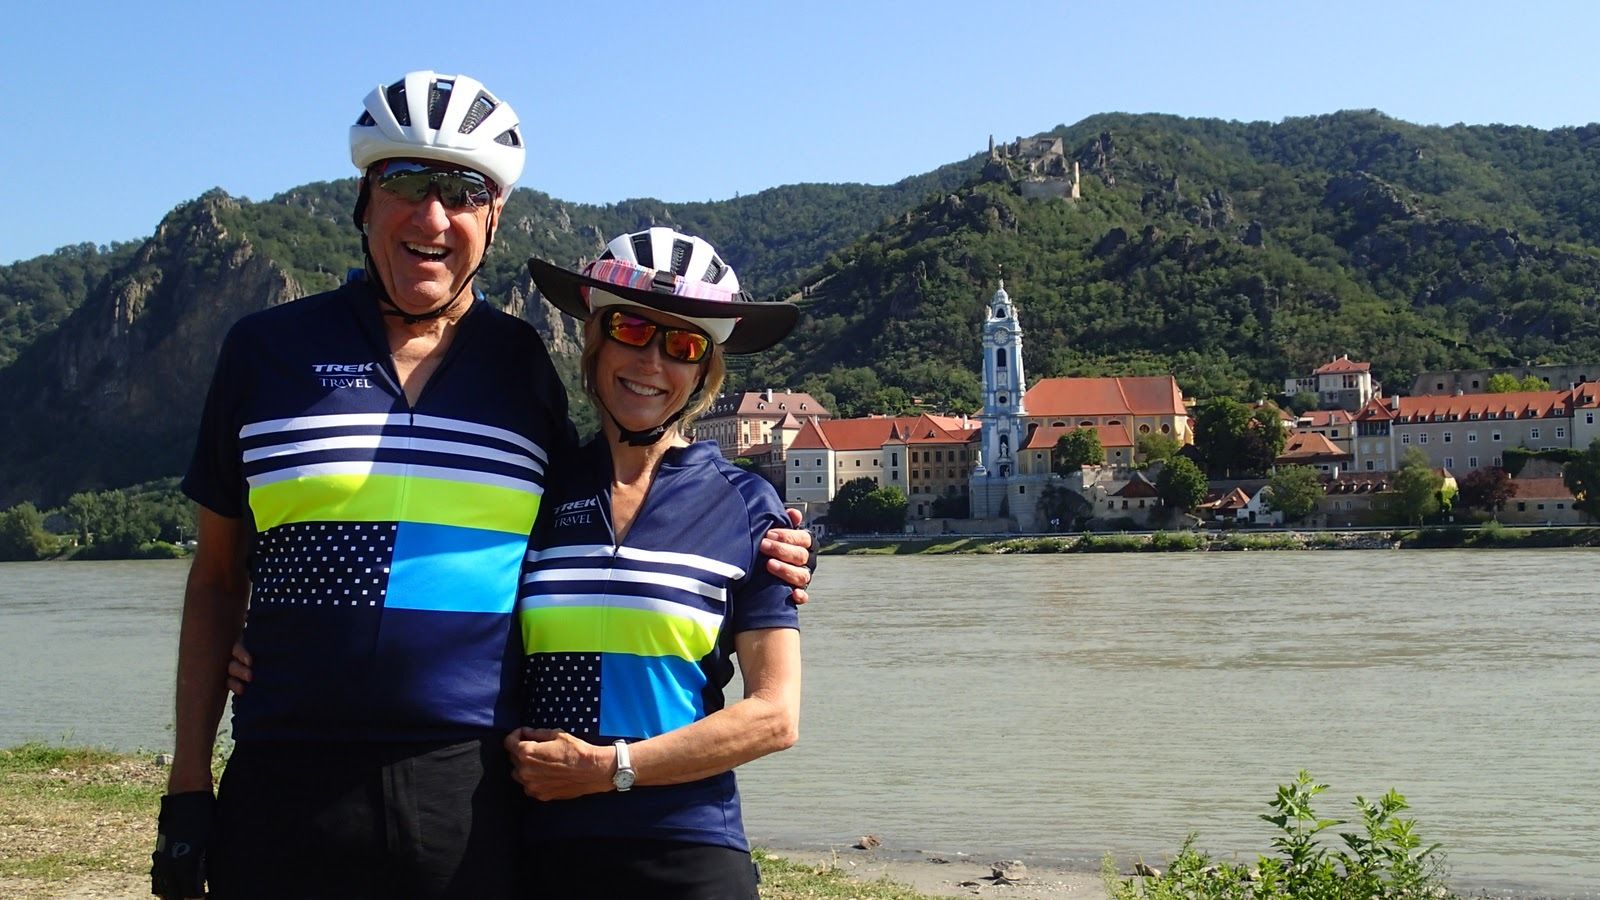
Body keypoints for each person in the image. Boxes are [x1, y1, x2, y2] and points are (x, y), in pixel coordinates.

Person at [151, 71, 813, 900]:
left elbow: (615, 529)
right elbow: (217, 578)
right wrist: (188, 783)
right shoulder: (264, 351)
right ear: (365, 197)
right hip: (284, 768)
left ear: (493, 217)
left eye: (463, 192)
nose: (433, 215)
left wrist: (771, 548)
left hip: (463, 787)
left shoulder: (516, 368)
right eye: (406, 183)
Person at [505, 228, 803, 899]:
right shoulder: (534, 490)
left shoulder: (746, 505)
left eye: (684, 344)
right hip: (540, 847)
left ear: (704, 371)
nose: (652, 361)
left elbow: (775, 715)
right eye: (632, 328)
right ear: (595, 339)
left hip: (688, 847)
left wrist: (611, 768)